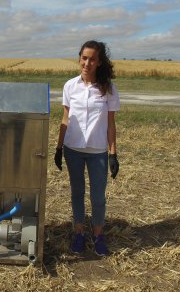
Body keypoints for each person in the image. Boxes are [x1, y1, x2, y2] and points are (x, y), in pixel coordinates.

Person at [54, 40, 120, 256]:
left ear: (99, 62)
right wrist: (59, 147)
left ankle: (98, 235)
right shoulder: (69, 86)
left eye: (92, 59)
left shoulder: (108, 89)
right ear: (79, 58)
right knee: (77, 193)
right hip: (73, 148)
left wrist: (113, 153)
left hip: (97, 151)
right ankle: (79, 232)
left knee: (98, 196)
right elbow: (65, 117)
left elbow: (111, 124)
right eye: (84, 58)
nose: (87, 63)